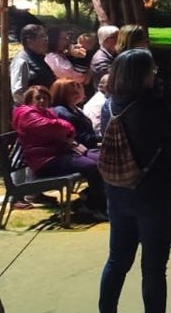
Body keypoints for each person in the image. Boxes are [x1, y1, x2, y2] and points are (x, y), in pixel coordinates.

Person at [96, 48, 171, 313]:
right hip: (154, 195)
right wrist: (166, 100)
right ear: (143, 75)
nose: (155, 75)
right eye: (151, 71)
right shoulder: (152, 108)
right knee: (153, 269)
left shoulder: (111, 106)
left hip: (119, 193)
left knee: (116, 261)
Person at [11, 85, 107, 218]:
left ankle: (89, 198)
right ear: (29, 100)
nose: (42, 101)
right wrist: (66, 127)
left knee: (101, 160)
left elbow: (59, 130)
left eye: (45, 98)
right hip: (45, 162)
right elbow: (52, 127)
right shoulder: (27, 114)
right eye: (38, 98)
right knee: (91, 166)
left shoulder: (47, 112)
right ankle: (96, 206)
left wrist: (65, 132)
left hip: (59, 153)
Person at [10, 24, 54, 103]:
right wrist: (35, 108)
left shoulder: (40, 58)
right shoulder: (21, 61)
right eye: (41, 36)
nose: (46, 39)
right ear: (29, 41)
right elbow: (18, 93)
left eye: (46, 36)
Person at [51, 78, 100, 149]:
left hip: (90, 145)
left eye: (78, 88)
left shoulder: (76, 109)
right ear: (62, 94)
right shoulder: (61, 112)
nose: (78, 93)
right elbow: (81, 138)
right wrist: (104, 137)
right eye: (73, 92)